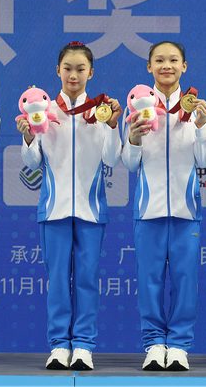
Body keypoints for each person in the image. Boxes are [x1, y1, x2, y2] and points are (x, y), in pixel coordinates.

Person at [17, 42, 123, 370]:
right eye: (67, 68)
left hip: (91, 211)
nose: (73, 74)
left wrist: (111, 125)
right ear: (58, 71)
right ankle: (59, 345)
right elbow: (32, 163)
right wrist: (28, 137)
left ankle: (85, 345)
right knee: (58, 280)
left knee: (88, 279)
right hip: (54, 209)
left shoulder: (100, 110)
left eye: (80, 69)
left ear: (91, 73)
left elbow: (112, 158)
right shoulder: (43, 109)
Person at [122, 41, 206, 371]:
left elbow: (205, 158)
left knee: (185, 279)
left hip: (186, 210)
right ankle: (152, 344)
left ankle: (178, 345)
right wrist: (132, 139)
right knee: (150, 281)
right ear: (149, 67)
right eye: (159, 60)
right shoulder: (136, 107)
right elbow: (129, 164)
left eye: (173, 60)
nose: (166, 65)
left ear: (184, 66)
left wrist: (202, 125)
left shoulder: (197, 109)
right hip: (149, 210)